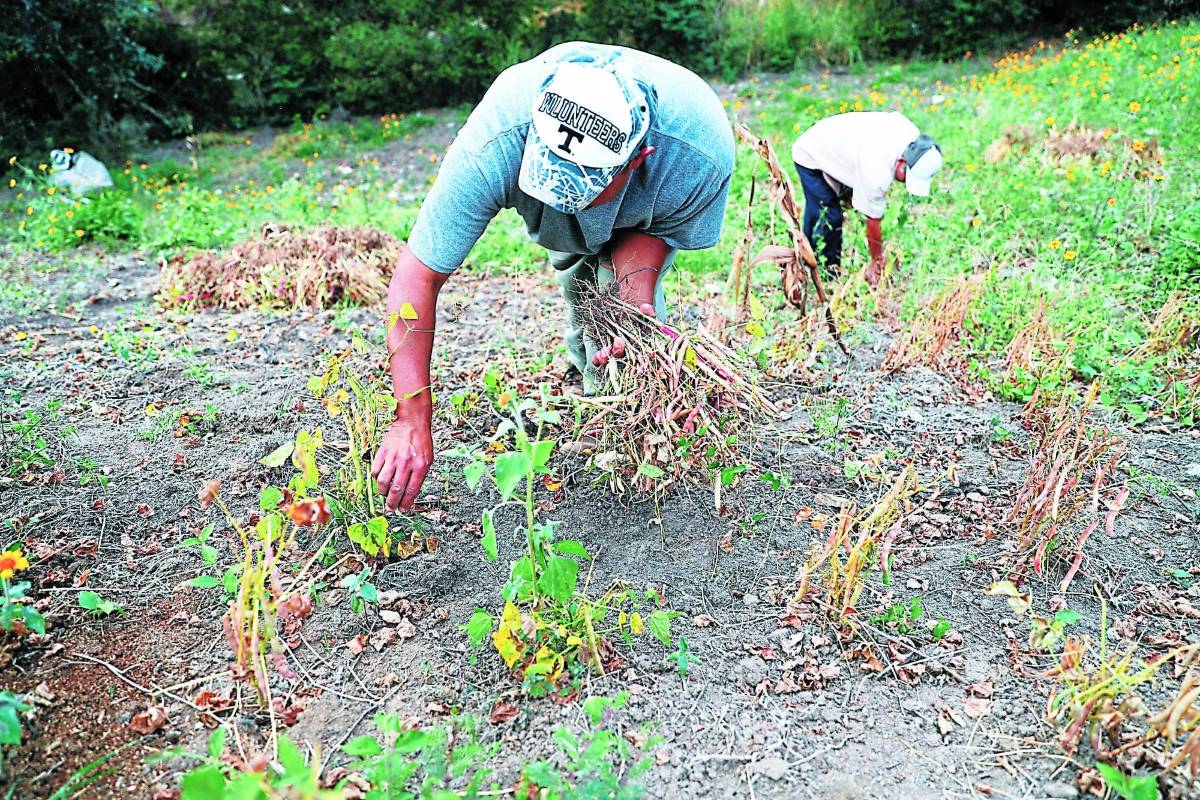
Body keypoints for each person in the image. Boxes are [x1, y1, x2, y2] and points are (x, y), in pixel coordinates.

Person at [370, 42, 734, 512]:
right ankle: (593, 378)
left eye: (579, 187)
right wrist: (411, 417)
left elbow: (650, 245)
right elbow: (417, 279)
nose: (566, 201)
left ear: (637, 159)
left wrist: (634, 316)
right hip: (551, 163)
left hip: (655, 199)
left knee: (628, 322)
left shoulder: (698, 155)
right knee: (578, 283)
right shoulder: (499, 137)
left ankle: (629, 434)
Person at [791, 111, 942, 287]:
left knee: (819, 209)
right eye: (906, 176)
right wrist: (877, 262)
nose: (904, 182)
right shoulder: (877, 171)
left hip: (838, 145)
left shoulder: (912, 140)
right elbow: (873, 220)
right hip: (812, 153)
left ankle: (804, 254)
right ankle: (827, 276)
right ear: (902, 161)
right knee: (829, 216)